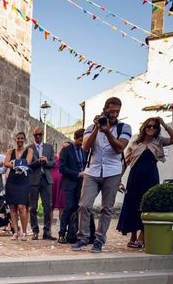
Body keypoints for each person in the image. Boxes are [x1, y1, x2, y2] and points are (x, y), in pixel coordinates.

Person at [72, 97, 131, 253]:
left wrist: (108, 133)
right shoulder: (92, 127)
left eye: (117, 111)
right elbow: (85, 147)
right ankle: (83, 238)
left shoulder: (124, 128)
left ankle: (99, 240)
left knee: (107, 208)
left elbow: (120, 148)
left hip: (113, 171)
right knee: (84, 205)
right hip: (92, 171)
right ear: (105, 109)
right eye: (111, 111)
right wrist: (98, 128)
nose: (114, 114)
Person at [117, 117, 173, 248]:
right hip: (135, 177)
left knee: (147, 205)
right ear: (144, 128)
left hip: (151, 177)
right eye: (149, 126)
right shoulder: (134, 143)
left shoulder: (159, 142)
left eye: (154, 127)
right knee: (133, 204)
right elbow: (125, 163)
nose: (151, 128)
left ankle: (142, 236)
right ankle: (133, 236)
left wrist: (163, 124)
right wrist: (118, 179)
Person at [58, 130, 87, 243]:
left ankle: (72, 233)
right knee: (68, 207)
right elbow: (62, 168)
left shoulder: (85, 151)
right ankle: (61, 233)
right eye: (80, 140)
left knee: (77, 208)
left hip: (81, 184)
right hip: (69, 183)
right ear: (75, 138)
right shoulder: (66, 150)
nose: (82, 142)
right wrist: (77, 174)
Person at [4, 131, 34, 240]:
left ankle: (25, 232)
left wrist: (14, 162)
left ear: (24, 139)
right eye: (18, 138)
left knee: (22, 207)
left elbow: (27, 162)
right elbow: (5, 163)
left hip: (23, 181)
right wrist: (17, 163)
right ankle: (16, 232)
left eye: (22, 138)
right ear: (15, 139)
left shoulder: (29, 150)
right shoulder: (10, 151)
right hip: (12, 180)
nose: (20, 140)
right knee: (12, 207)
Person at [28, 126, 56, 240]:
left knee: (48, 207)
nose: (38, 136)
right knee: (33, 207)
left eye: (40, 134)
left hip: (46, 179)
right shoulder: (29, 148)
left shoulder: (49, 147)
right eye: (36, 135)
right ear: (33, 136)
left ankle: (47, 232)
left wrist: (46, 162)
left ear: (42, 135)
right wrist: (37, 162)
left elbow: (53, 163)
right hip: (34, 179)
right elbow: (28, 164)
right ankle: (35, 231)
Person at [50, 142, 67, 224]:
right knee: (50, 206)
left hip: (61, 186)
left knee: (62, 206)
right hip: (52, 185)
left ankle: (62, 228)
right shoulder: (53, 158)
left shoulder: (65, 159)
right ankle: (48, 230)